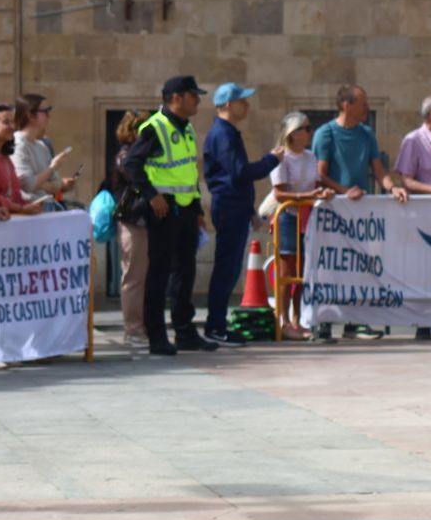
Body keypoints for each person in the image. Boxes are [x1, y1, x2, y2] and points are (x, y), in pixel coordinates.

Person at [123, 75, 214, 356]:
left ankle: (185, 331)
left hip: (185, 207)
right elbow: (131, 164)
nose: (198, 100)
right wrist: (151, 195)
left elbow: (188, 171)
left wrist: (197, 208)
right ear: (177, 98)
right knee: (159, 273)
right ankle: (156, 335)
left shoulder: (186, 128)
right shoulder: (155, 127)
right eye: (193, 95)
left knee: (185, 271)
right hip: (163, 208)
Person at [313, 84, 405, 340]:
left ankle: (354, 322)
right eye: (363, 103)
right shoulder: (325, 134)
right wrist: (345, 191)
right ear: (346, 105)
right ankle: (325, 321)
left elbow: (378, 170)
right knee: (330, 266)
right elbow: (319, 175)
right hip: (332, 212)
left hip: (360, 215)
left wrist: (392, 188)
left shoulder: (366, 134)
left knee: (358, 266)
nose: (367, 108)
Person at [201, 83, 283, 345]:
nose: (246, 105)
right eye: (241, 101)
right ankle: (215, 326)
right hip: (228, 207)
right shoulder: (223, 134)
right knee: (226, 269)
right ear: (227, 105)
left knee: (230, 269)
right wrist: (271, 160)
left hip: (235, 206)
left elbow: (236, 179)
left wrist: (250, 211)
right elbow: (239, 173)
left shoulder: (228, 133)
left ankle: (218, 324)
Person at [393, 95, 431, 339]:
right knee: (424, 269)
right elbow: (406, 180)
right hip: (427, 217)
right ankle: (423, 322)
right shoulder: (414, 141)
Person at [269, 113, 335, 340]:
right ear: (293, 133)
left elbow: (316, 184)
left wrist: (321, 194)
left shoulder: (310, 156)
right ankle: (284, 320)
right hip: (288, 217)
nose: (310, 133)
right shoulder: (280, 157)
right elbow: (279, 193)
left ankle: (298, 318)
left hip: (308, 217)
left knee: (303, 271)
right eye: (306, 129)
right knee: (288, 270)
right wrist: (306, 195)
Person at [111, 111, 150, 346]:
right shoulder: (126, 156)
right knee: (134, 275)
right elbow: (137, 179)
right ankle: (133, 329)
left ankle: (143, 325)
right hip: (132, 220)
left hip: (145, 220)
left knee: (144, 275)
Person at [11, 93, 77, 207]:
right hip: (29, 212)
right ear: (30, 115)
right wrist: (52, 168)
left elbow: (57, 184)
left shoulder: (41, 146)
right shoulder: (18, 145)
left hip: (46, 207)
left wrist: (41, 184)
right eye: (45, 111)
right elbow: (28, 186)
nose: (49, 116)